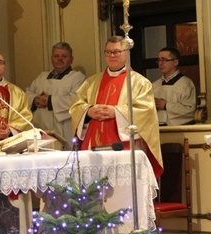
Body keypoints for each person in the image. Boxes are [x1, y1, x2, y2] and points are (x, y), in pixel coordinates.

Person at [69, 35, 163, 178]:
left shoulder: (140, 82)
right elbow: (76, 106)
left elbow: (146, 112)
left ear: (126, 53)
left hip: (124, 145)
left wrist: (117, 112)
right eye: (108, 52)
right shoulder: (92, 82)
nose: (112, 55)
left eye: (116, 52)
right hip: (92, 144)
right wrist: (88, 111)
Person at [26, 42, 85, 150]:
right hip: (41, 127)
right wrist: (35, 100)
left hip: (64, 129)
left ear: (71, 59)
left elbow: (76, 100)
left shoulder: (77, 77)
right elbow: (26, 95)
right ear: (51, 58)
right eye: (56, 56)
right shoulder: (41, 77)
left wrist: (49, 101)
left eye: (64, 56)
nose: (60, 59)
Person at [0, 52, 33, 142]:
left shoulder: (17, 92)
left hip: (12, 140)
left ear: (4, 67)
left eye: (0, 62)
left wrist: (10, 130)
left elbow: (26, 115)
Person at [152, 47, 196, 126]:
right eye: (159, 60)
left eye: (164, 60)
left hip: (178, 130)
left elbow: (190, 110)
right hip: (157, 129)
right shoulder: (155, 85)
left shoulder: (185, 83)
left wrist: (166, 105)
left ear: (175, 62)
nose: (160, 63)